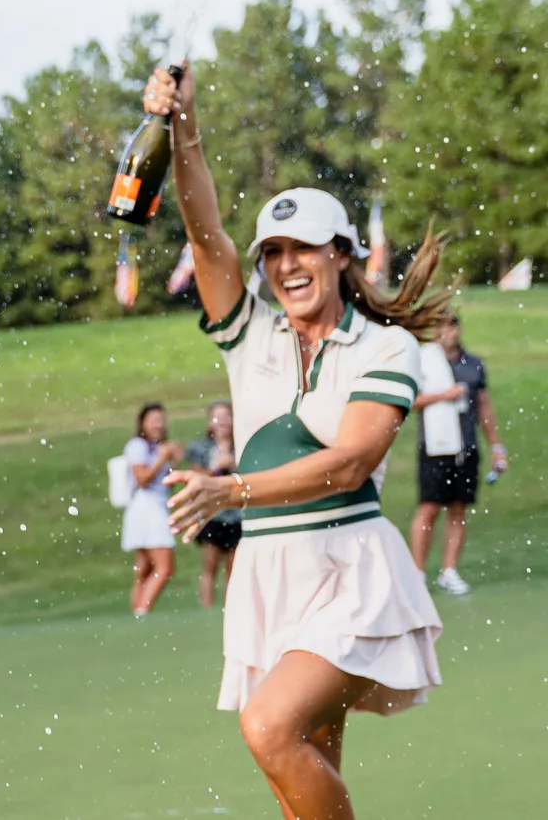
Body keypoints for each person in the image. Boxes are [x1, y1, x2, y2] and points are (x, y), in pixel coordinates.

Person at [145, 66, 450, 820]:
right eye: (272, 252)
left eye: (303, 248)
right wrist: (183, 127)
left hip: (350, 566)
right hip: (268, 569)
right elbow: (204, 231)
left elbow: (351, 462)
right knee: (298, 773)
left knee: (269, 727)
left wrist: (232, 489)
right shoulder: (251, 332)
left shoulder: (385, 346)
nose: (286, 266)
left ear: (342, 253)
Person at [409, 314, 508, 595]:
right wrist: (444, 395)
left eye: (452, 325)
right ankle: (417, 573)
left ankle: (449, 571)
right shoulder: (424, 362)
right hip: (435, 446)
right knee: (429, 508)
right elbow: (411, 400)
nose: (448, 331)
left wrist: (496, 447)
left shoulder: (473, 364)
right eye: (441, 325)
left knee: (458, 508)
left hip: (466, 446)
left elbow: (484, 407)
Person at [121, 402, 184, 617]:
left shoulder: (158, 447)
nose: (159, 424)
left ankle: (137, 614)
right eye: (154, 420)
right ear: (142, 423)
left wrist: (174, 463)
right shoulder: (137, 446)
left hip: (156, 504)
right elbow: (142, 479)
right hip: (146, 507)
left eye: (161, 420)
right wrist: (161, 458)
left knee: (144, 568)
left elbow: (166, 485)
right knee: (164, 567)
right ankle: (142, 611)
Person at [185, 401, 240, 609]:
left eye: (227, 416)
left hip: (238, 513)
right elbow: (195, 477)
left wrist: (233, 465)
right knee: (210, 563)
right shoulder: (201, 447)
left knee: (234, 565)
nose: (222, 422)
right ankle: (206, 608)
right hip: (212, 513)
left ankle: (230, 608)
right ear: (210, 422)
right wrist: (217, 468)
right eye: (218, 417)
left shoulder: (241, 444)